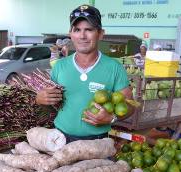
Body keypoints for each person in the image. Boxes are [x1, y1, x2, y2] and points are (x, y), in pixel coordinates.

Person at [36, 4, 133, 143]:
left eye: (89, 29)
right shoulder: (60, 66)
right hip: (60, 139)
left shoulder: (114, 68)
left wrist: (112, 118)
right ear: (71, 34)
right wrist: (40, 99)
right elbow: (51, 104)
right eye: (77, 30)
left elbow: (129, 106)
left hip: (97, 142)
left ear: (100, 34)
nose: (82, 36)